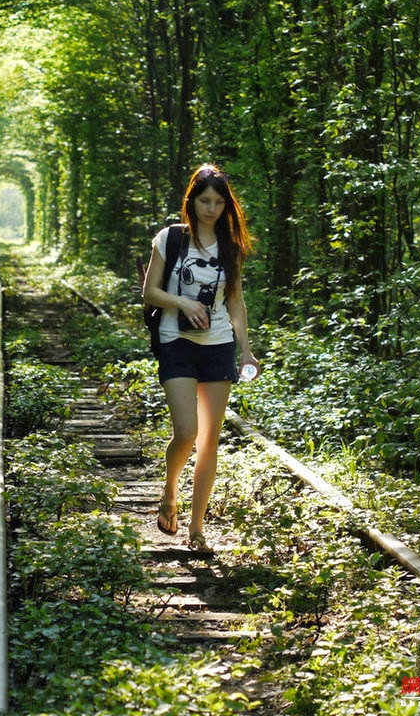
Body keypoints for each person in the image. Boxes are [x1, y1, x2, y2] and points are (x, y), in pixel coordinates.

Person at [142, 164, 260, 554]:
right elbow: (150, 294)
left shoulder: (230, 245)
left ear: (227, 206)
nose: (211, 209)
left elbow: (236, 300)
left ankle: (197, 529)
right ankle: (170, 492)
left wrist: (245, 348)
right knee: (187, 432)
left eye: (219, 202)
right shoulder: (170, 239)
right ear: (191, 201)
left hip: (219, 344)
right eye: (205, 200)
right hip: (176, 340)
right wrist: (181, 301)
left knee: (210, 441)